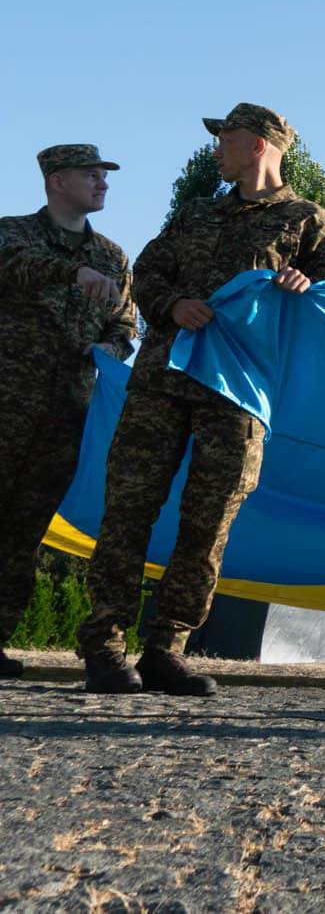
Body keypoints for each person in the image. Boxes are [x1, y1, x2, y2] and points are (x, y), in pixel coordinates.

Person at [77, 105, 325, 697]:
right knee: (128, 510)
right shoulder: (195, 212)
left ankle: (167, 649)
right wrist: (171, 305)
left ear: (259, 145)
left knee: (209, 521)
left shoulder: (308, 221)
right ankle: (104, 645)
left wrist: (308, 286)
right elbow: (145, 273)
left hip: (241, 392)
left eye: (225, 136)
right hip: (162, 383)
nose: (217, 146)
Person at [0, 145, 137, 679]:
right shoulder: (13, 234)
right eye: (91, 173)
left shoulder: (112, 255)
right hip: (8, 399)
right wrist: (71, 272)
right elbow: (14, 266)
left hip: (67, 410)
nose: (102, 182)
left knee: (24, 529)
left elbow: (125, 322)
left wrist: (114, 347)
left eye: (104, 174)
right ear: (57, 181)